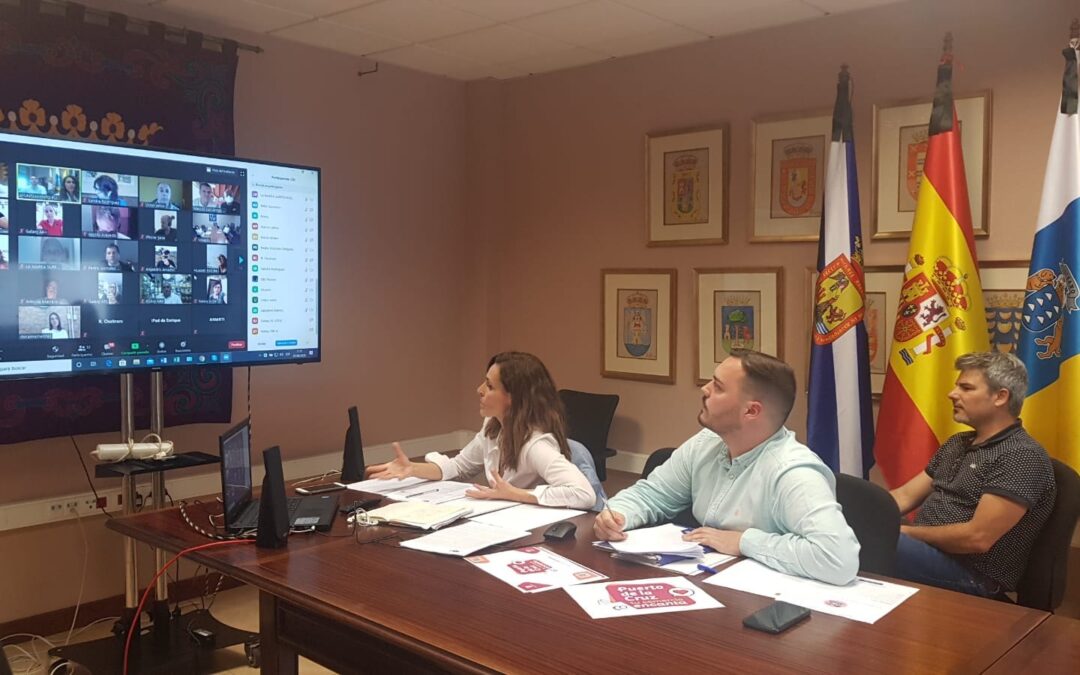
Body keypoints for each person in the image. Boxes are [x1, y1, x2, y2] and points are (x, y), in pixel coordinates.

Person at [594, 349, 860, 586]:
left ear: (751, 411)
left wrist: (743, 542)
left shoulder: (793, 472)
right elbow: (652, 495)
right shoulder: (706, 443)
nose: (704, 389)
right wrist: (617, 515)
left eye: (718, 387)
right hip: (712, 586)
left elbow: (838, 559)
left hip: (776, 603)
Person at [889, 352, 1056, 598]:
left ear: (1000, 397)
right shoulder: (958, 442)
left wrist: (904, 533)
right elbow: (904, 497)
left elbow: (977, 538)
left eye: (966, 388)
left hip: (974, 577)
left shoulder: (1021, 455)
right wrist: (851, 513)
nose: (952, 394)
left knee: (874, 541)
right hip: (926, 551)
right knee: (855, 528)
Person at [366, 352, 596, 509]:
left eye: (490, 386)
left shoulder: (535, 445)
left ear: (513, 398)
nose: (479, 390)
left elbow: (584, 494)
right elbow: (459, 467)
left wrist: (516, 494)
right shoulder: (493, 427)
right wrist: (412, 469)